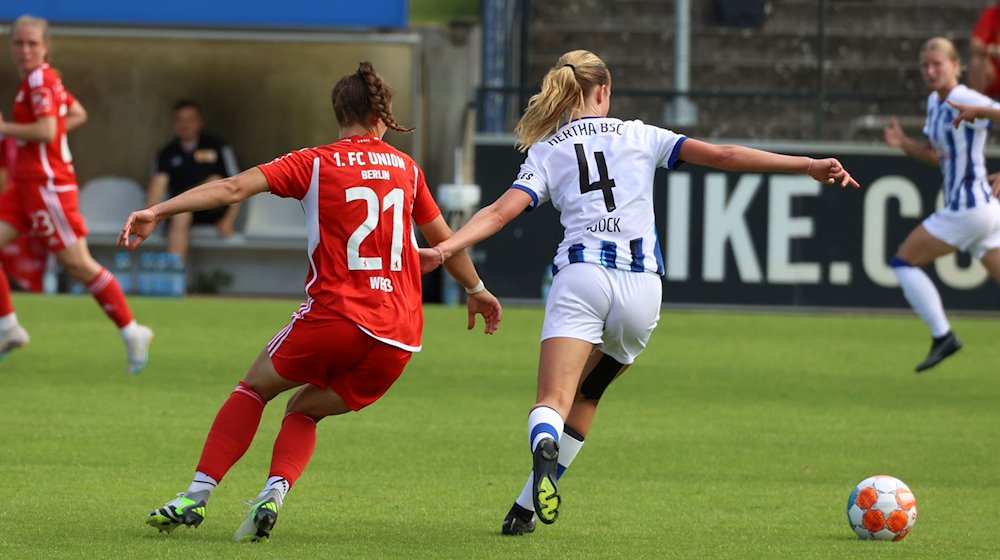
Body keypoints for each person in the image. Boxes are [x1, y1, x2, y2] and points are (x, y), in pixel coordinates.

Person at [418, 49, 859, 535]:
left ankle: (542, 445)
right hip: (643, 289)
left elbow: (499, 213)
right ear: (603, 91)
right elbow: (726, 156)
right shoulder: (642, 134)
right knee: (589, 394)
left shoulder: (547, 149)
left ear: (564, 95)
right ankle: (523, 511)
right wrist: (809, 165)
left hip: (583, 277)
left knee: (553, 399)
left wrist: (444, 251)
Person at [119, 61, 503, 543]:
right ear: (381, 115)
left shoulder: (315, 161)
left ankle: (195, 495)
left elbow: (233, 188)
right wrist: (477, 290)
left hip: (337, 316)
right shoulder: (407, 169)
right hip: (398, 338)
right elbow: (445, 241)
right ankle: (273, 492)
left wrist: (157, 209)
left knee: (254, 389)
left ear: (339, 111)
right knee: (304, 410)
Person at [0, 15, 153, 371]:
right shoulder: (43, 80)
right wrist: (38, 135)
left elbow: (46, 129)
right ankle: (8, 327)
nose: (24, 50)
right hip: (26, 185)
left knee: (78, 264)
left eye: (32, 43)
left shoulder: (39, 81)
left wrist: (7, 128)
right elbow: (77, 114)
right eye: (18, 43)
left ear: (46, 46)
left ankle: (133, 331)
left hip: (46, 185)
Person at [883, 37, 1000, 372]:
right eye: (925, 65)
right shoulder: (936, 101)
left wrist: (983, 111)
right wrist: (904, 143)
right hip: (986, 211)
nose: (931, 70)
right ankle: (942, 336)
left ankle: (942, 335)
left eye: (938, 63)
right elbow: (940, 157)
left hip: (970, 208)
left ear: (955, 65)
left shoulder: (964, 97)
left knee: (903, 260)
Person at [147, 100, 241, 260]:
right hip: (182, 209)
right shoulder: (166, 152)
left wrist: (228, 220)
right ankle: (176, 276)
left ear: (199, 122)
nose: (185, 125)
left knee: (215, 179)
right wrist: (152, 208)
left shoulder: (217, 146)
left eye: (189, 120)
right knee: (179, 214)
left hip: (213, 209)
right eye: (180, 120)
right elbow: (158, 182)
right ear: (174, 123)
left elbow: (237, 183)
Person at [968, 1, 1000, 96]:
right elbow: (975, 44)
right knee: (976, 62)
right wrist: (992, 50)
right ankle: (977, 104)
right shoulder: (992, 13)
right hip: (995, 73)